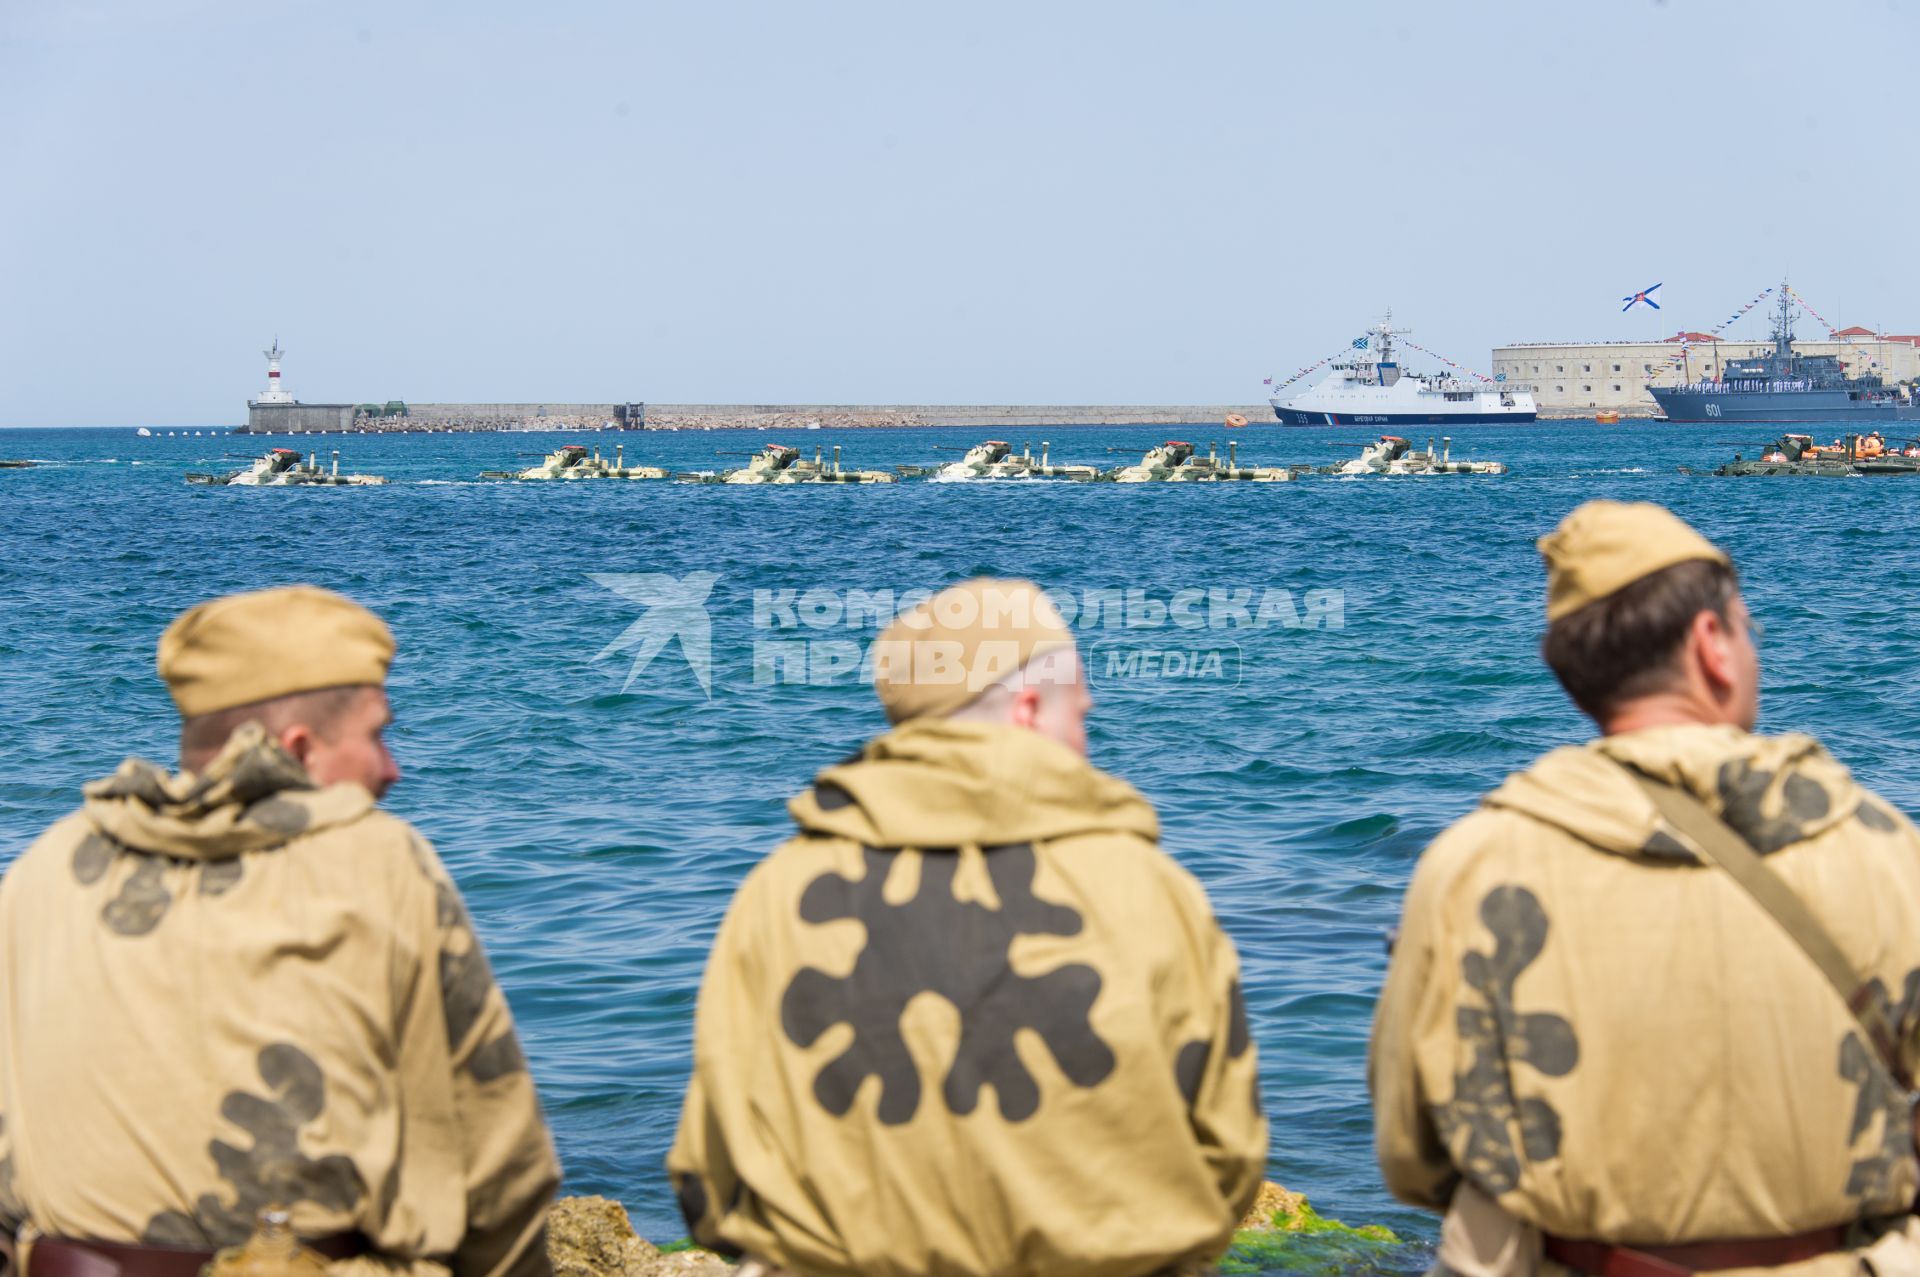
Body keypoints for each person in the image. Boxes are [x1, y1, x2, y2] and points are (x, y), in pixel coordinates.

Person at [1370, 501, 1920, 1277]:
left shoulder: (1471, 863)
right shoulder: (1886, 849)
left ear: (1572, 674)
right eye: (1748, 629)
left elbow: (1413, 1152)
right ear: (1711, 646)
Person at [669, 578, 1266, 1277]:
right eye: (1080, 698)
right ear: (1028, 708)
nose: (1093, 710)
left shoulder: (777, 890)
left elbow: (709, 1169)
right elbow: (1228, 1157)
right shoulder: (1152, 888)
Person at [0, 586, 559, 1277]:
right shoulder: (379, 862)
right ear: (298, 748)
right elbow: (499, 1157)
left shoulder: (43, 868)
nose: (393, 767)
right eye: (378, 734)